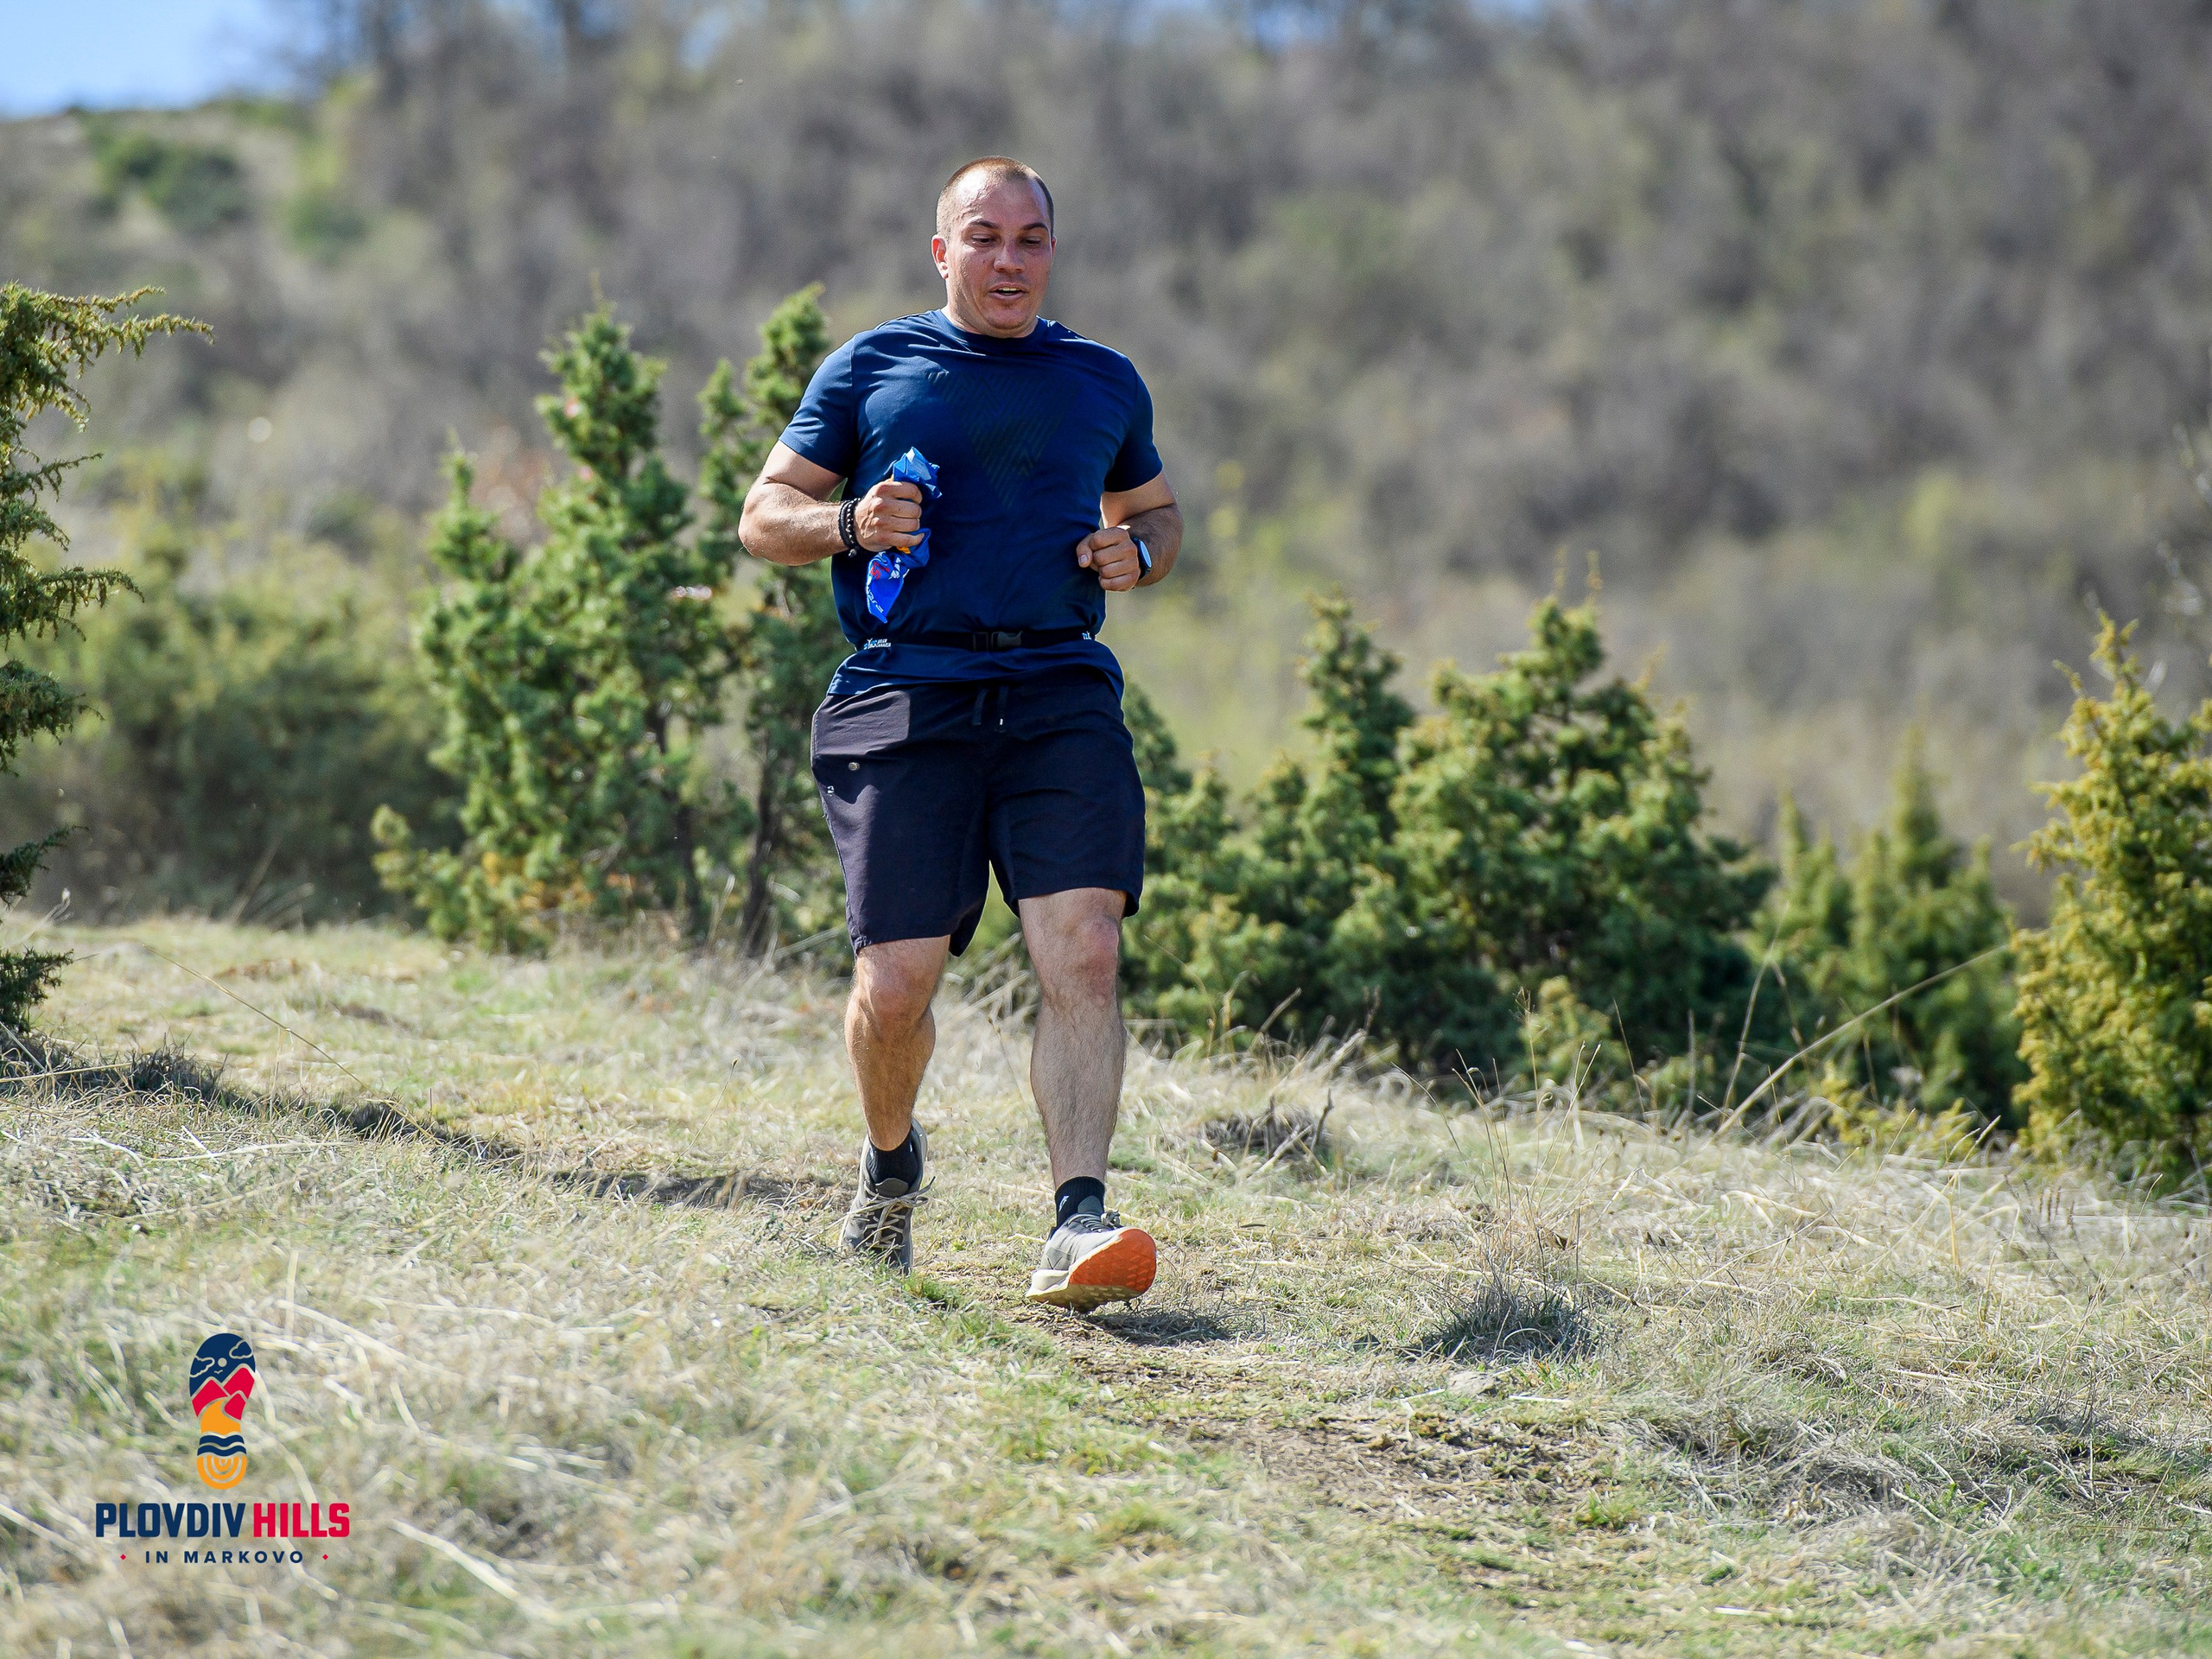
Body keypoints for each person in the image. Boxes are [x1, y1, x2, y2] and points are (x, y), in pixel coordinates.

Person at [738, 156, 1183, 1311]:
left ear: (1051, 252)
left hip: (1055, 694)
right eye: (984, 238)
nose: (1009, 260)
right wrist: (847, 521)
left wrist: (1138, 553)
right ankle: (890, 1166)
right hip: (907, 696)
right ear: (943, 252)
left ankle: (1077, 1219)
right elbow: (761, 516)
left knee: (1083, 948)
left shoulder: (1101, 379)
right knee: (896, 986)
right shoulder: (873, 367)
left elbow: (1156, 511)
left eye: (1031, 239)